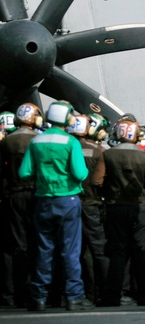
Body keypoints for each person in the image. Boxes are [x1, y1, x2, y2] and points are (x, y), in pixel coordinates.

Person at [18, 100, 91, 311]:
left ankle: (39, 297)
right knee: (70, 251)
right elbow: (80, 174)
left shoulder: (36, 141)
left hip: (43, 200)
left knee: (44, 250)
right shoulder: (71, 142)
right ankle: (73, 297)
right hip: (68, 200)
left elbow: (24, 173)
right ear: (67, 118)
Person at [100, 117, 145, 307]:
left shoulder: (107, 155)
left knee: (117, 252)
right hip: (140, 208)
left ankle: (112, 296)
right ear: (136, 135)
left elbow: (96, 181)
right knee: (141, 252)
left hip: (115, 208)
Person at [0, 101, 43, 308]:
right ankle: (37, 290)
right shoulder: (39, 140)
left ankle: (17, 293)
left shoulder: (7, 142)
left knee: (18, 244)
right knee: (38, 243)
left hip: (13, 196)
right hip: (36, 194)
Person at [67, 111, 108, 305]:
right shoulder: (98, 151)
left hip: (69, 202)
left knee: (73, 249)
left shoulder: (66, 147)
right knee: (98, 249)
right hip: (92, 204)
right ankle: (102, 292)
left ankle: (77, 292)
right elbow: (101, 181)